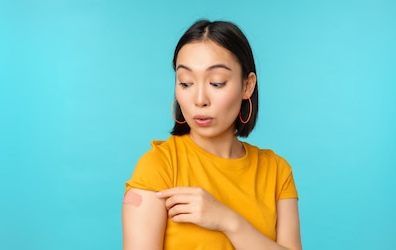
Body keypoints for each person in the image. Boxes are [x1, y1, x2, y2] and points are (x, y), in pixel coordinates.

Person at [122, 19, 302, 250]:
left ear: (247, 86)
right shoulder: (159, 166)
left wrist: (228, 221)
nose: (199, 100)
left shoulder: (277, 171)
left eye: (216, 83)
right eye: (186, 83)